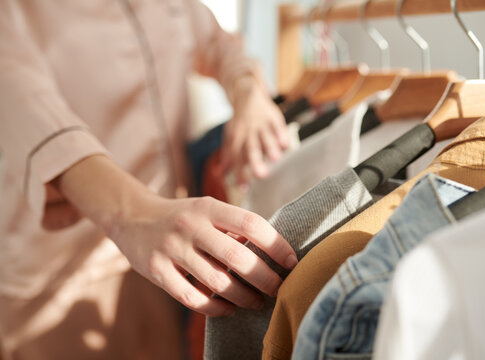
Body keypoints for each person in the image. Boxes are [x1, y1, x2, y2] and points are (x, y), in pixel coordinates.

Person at [0, 0, 297, 358]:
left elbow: (219, 46)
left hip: (169, 257)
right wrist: (133, 213)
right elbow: (21, 99)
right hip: (58, 275)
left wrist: (248, 91)